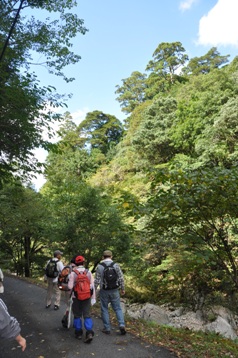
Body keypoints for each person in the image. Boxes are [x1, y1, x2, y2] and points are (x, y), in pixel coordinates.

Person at [94, 250, 126, 335]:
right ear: (111, 256)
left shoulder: (100, 266)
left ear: (103, 257)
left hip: (104, 290)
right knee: (117, 308)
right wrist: (122, 288)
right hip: (115, 290)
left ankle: (107, 328)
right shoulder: (116, 265)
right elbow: (121, 278)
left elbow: (96, 280)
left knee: (104, 309)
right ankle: (122, 325)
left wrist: (93, 290)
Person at [68, 255, 96, 343]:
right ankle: (89, 332)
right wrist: (93, 298)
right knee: (87, 314)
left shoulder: (73, 273)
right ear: (83, 263)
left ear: (76, 263)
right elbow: (92, 286)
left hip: (76, 297)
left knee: (77, 315)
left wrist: (70, 296)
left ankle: (79, 333)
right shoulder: (88, 272)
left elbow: (70, 286)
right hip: (87, 297)